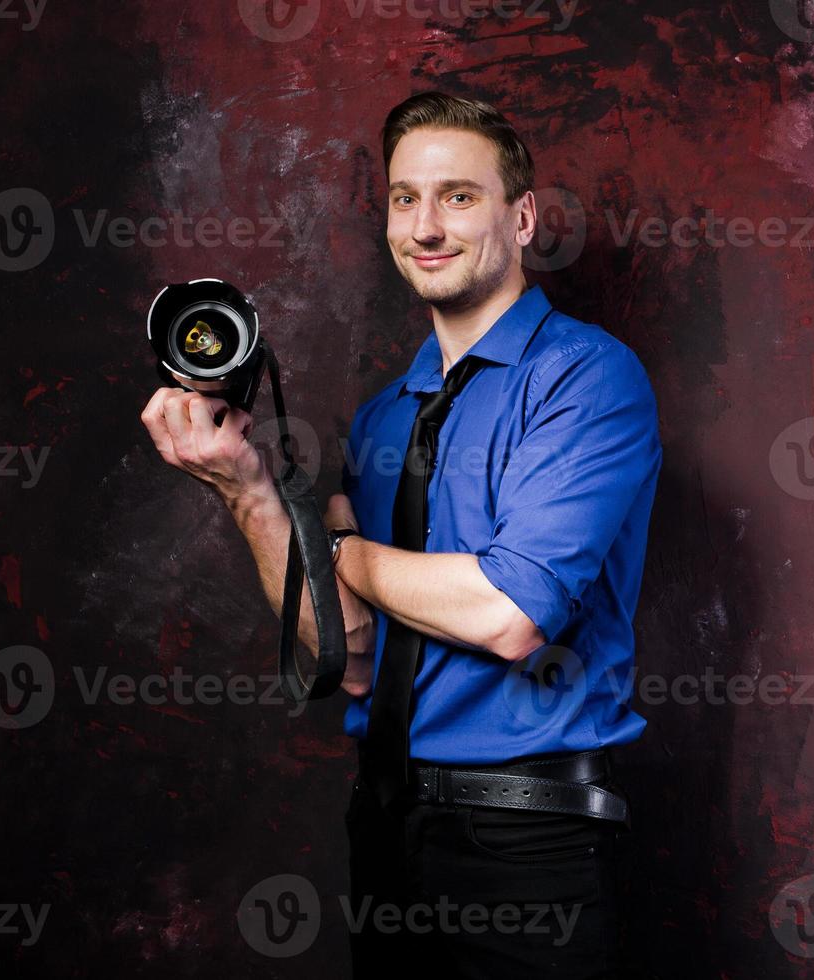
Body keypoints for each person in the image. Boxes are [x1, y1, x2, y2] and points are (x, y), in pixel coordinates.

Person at [138, 91, 663, 978]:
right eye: (404, 198)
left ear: (522, 216)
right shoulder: (386, 416)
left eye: (459, 195)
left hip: (528, 838)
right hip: (386, 829)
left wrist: (340, 550)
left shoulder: (586, 378)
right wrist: (252, 493)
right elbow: (343, 655)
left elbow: (505, 612)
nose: (426, 225)